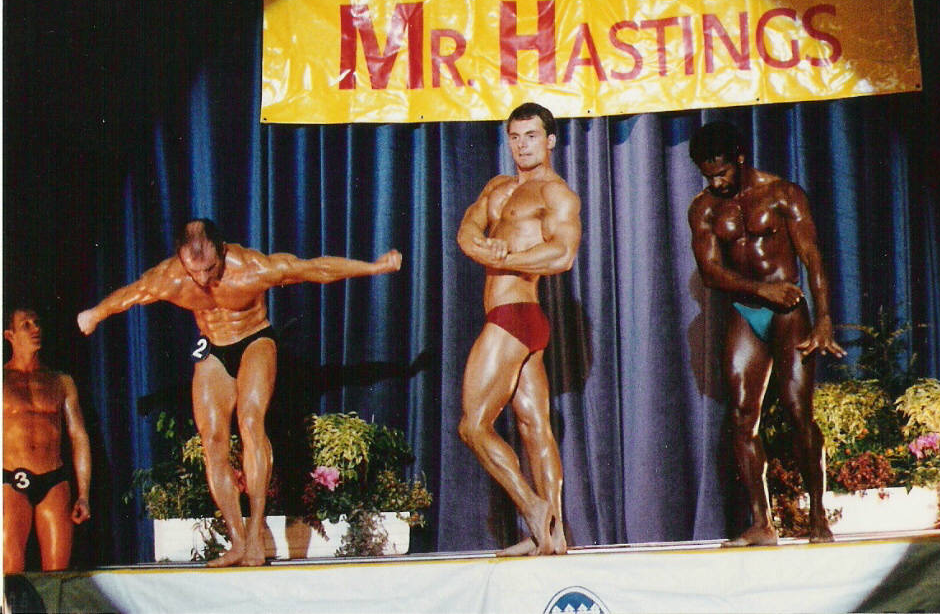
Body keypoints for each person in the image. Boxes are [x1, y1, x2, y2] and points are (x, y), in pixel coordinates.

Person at [78, 218, 401, 567]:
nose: (204, 279)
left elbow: (314, 269)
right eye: (194, 272)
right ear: (181, 260)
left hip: (254, 340)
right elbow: (134, 293)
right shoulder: (170, 277)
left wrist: (374, 267)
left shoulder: (251, 269)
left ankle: (256, 533)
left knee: (250, 422)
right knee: (212, 441)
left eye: (210, 269)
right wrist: (96, 313)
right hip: (213, 348)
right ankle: (236, 541)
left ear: (223, 250)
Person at [686, 121, 846, 546]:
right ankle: (763, 523)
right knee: (742, 416)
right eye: (708, 175)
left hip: (789, 312)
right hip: (747, 311)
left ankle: (818, 517)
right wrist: (760, 291)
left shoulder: (782, 194)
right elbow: (710, 271)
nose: (716, 183)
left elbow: (812, 258)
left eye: (721, 173)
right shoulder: (704, 208)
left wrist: (824, 319)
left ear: (740, 158)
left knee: (798, 413)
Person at [457, 103, 581, 556]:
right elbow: (467, 231)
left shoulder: (555, 193)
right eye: (515, 136)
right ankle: (553, 537)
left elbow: (562, 254)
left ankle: (533, 508)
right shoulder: (498, 187)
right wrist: (480, 247)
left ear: (550, 141)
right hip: (521, 322)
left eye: (531, 136)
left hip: (514, 315)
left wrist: (505, 257)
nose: (522, 145)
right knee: (534, 426)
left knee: (473, 426)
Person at [4, 308, 92, 573]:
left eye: (37, 323)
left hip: (53, 480)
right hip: (9, 480)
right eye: (26, 325)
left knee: (57, 576)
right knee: (10, 575)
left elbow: (78, 436)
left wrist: (84, 495)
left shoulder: (61, 381)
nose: (35, 329)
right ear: (9, 335)